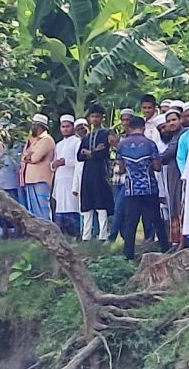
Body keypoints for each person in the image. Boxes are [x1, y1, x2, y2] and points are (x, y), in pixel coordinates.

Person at [112, 113, 170, 260]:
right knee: (156, 219)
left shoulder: (122, 145)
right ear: (143, 128)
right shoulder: (150, 144)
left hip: (131, 189)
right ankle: (165, 248)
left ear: (129, 128)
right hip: (149, 187)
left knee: (131, 222)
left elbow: (122, 169)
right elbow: (157, 167)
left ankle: (128, 254)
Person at [79, 109, 114, 243]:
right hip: (88, 173)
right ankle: (86, 235)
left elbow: (103, 153)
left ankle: (103, 234)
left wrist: (89, 153)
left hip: (100, 172)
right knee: (87, 203)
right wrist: (92, 152)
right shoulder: (87, 137)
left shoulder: (105, 134)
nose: (95, 119)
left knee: (101, 203)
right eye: (93, 116)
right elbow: (79, 155)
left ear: (101, 118)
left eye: (97, 116)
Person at [51, 115, 84, 238]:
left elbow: (79, 161)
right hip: (60, 178)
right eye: (63, 127)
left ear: (72, 128)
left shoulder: (77, 142)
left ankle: (76, 233)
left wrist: (66, 162)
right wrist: (54, 165)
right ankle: (62, 234)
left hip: (72, 178)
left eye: (68, 126)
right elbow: (53, 163)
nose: (65, 129)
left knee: (72, 204)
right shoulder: (58, 145)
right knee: (60, 205)